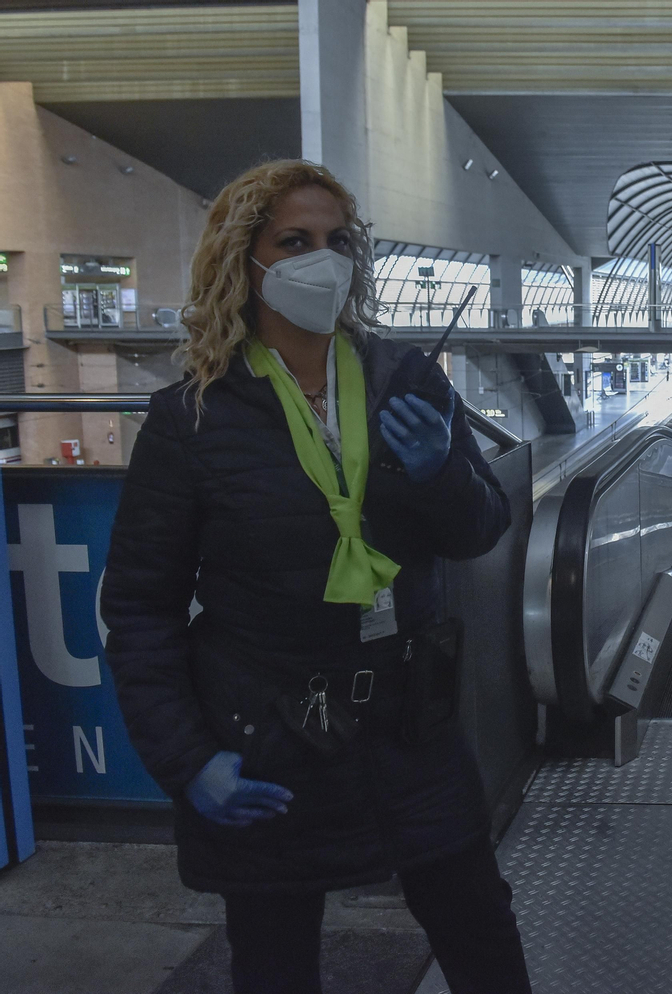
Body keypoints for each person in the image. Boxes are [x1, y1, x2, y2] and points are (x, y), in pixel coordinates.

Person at [101, 160, 531, 994]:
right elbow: (141, 609)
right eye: (293, 242)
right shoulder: (193, 416)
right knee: (273, 958)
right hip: (269, 737)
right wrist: (189, 763)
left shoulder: (404, 376)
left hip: (412, 729)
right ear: (246, 260)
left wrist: (441, 469)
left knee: (481, 930)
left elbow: (479, 529)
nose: (320, 259)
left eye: (337, 241)